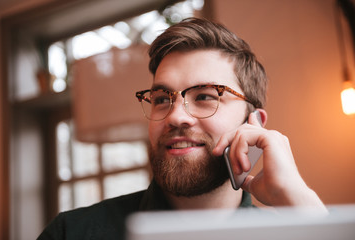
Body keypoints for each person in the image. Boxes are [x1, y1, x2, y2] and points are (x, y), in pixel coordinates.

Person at [37, 17, 327, 240]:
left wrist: (300, 201)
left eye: (204, 97)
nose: (176, 117)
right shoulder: (71, 233)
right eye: (162, 99)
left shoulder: (298, 233)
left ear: (255, 123)